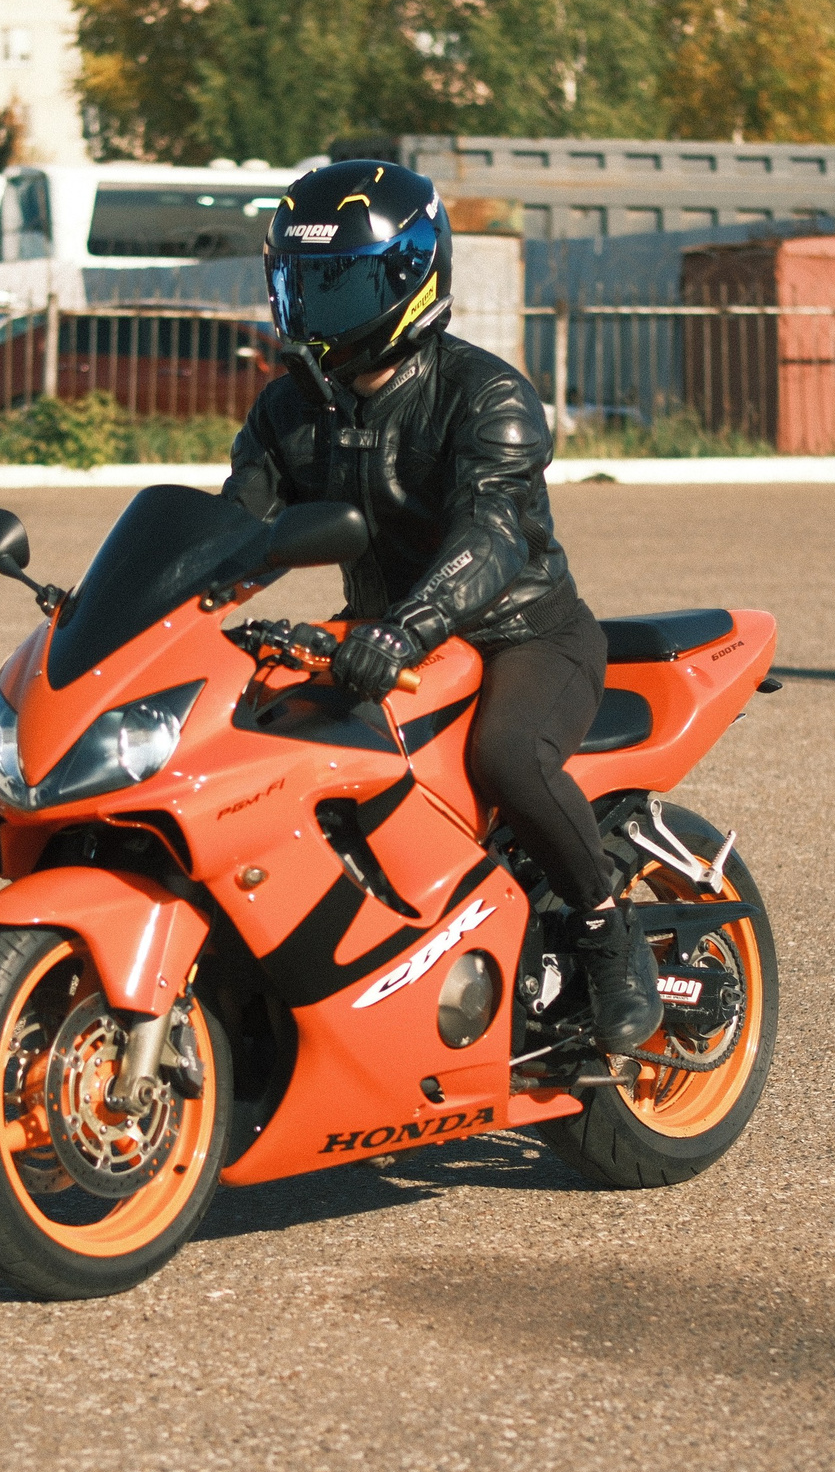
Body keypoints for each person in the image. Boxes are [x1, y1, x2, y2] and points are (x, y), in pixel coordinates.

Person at [220, 160, 662, 1051]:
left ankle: (610, 936)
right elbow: (237, 526)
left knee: (508, 755)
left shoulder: (486, 395)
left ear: (406, 278)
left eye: (337, 283)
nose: (314, 305)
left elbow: (491, 538)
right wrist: (148, 606)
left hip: (521, 634)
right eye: (304, 281)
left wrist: (402, 628)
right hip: (384, 635)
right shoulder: (290, 410)